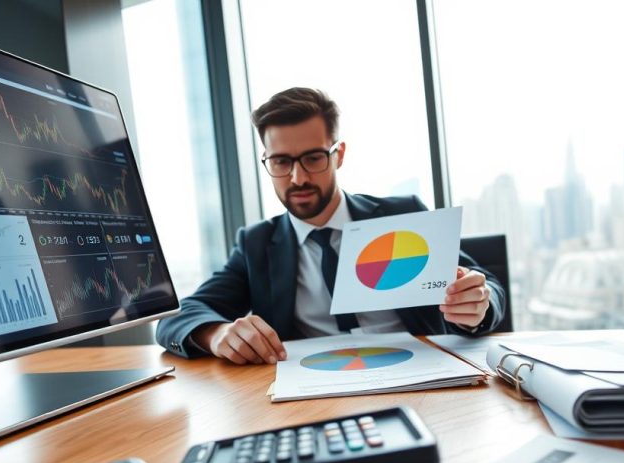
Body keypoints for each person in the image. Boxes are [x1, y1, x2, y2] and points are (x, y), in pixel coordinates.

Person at [156, 87, 506, 364]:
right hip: (316, 386)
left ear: (338, 155)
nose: (297, 177)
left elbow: (487, 287)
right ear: (267, 160)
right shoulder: (256, 244)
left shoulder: (402, 214)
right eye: (280, 161)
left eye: (312, 158)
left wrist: (478, 304)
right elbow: (178, 317)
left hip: (425, 373)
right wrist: (215, 334)